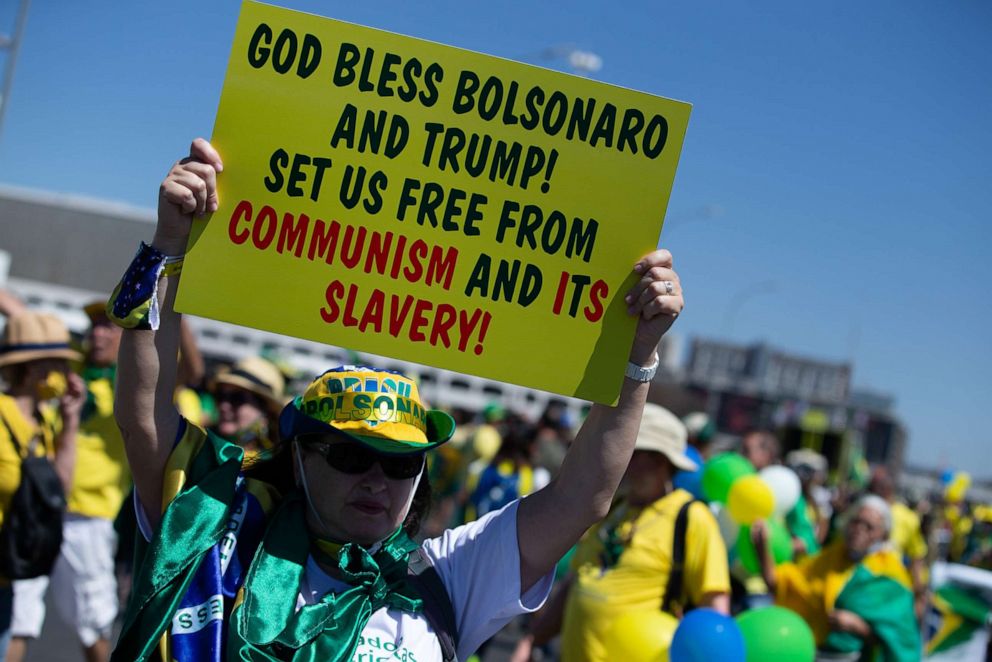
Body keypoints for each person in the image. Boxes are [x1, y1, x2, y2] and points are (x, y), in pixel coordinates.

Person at [106, 137, 685, 661]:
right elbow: (144, 417)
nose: (378, 480)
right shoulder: (218, 520)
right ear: (302, 455)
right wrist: (168, 246)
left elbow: (581, 497)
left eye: (402, 462)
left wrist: (636, 360)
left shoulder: (444, 576)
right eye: (352, 456)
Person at [513, 403, 730, 662]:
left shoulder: (691, 517)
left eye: (632, 451)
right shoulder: (614, 507)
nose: (622, 459)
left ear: (661, 460)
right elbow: (575, 582)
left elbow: (716, 607)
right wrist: (531, 641)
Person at [7, 302, 130, 662]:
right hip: (38, 509)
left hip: (88, 519)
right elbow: (26, 320)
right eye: (93, 325)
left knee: (93, 623)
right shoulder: (69, 369)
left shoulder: (134, 383)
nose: (97, 333)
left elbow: (190, 369)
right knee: (18, 613)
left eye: (109, 326)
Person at [0, 311, 85, 659]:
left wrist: (71, 421)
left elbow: (58, 490)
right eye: (56, 363)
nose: (64, 374)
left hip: (6, 573)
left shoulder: (44, 423)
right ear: (31, 368)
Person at [753, 495, 921, 661]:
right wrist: (762, 548)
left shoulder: (890, 575)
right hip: (812, 652)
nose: (859, 529)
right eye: (856, 521)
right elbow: (779, 582)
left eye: (869, 526)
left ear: (882, 535)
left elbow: (899, 638)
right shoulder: (830, 558)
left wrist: (859, 627)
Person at [868, 466, 928, 616]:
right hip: (862, 581)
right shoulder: (864, 509)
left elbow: (917, 558)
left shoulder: (908, 518)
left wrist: (919, 594)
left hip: (891, 586)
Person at [208, 354, 286, 456]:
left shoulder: (274, 466)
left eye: (237, 398)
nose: (224, 406)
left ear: (266, 412)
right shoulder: (200, 446)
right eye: (221, 396)